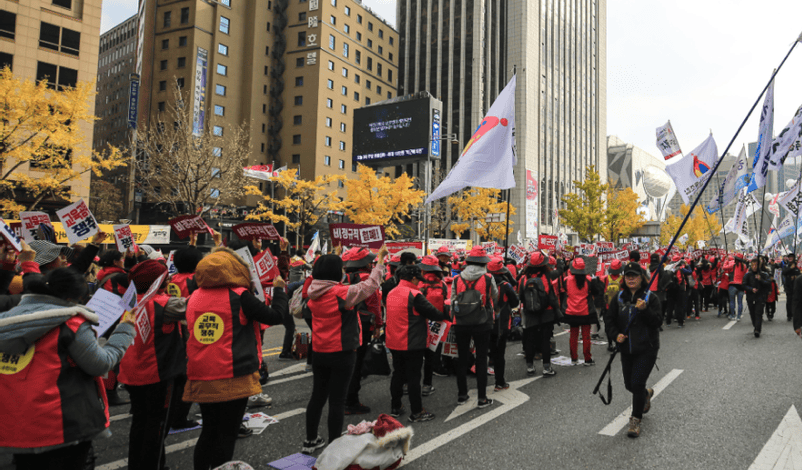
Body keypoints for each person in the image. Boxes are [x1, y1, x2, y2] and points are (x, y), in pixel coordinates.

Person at [0, 267, 136, 470]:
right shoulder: (71, 323)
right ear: (75, 297)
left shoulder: (10, 318)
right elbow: (100, 363)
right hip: (61, 420)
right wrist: (125, 329)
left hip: (16, 421)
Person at [184, 247, 289, 469]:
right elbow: (276, 316)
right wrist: (279, 290)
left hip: (201, 373)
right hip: (233, 374)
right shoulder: (241, 296)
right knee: (227, 433)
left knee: (209, 431)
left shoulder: (194, 296)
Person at [303, 247, 387, 453]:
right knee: (337, 400)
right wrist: (381, 260)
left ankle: (310, 440)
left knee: (317, 396)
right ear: (335, 273)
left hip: (320, 351)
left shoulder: (312, 293)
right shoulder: (341, 293)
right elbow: (371, 285)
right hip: (342, 351)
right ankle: (333, 444)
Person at [117, 259, 187, 470]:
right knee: (157, 427)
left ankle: (138, 465)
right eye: (167, 277)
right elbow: (197, 305)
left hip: (132, 373)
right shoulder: (165, 304)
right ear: (159, 282)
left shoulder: (128, 301)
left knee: (140, 422)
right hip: (158, 374)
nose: (171, 279)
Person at [603, 262, 663, 439]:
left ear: (641, 278)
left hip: (647, 348)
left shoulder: (651, 298)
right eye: (628, 275)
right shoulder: (619, 297)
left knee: (636, 383)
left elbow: (658, 322)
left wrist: (644, 311)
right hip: (626, 349)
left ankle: (635, 419)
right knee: (630, 385)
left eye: (635, 275)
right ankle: (645, 394)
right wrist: (616, 335)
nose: (631, 278)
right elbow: (609, 320)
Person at [386, 264, 449, 422]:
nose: (418, 282)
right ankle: (417, 412)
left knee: (398, 374)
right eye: (417, 279)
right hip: (412, 341)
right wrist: (447, 313)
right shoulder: (415, 294)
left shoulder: (391, 292)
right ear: (413, 278)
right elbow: (434, 313)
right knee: (414, 377)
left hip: (393, 340)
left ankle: (396, 406)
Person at [450, 246, 498, 408]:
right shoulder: (488, 278)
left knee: (462, 358)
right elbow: (495, 296)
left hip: (461, 322)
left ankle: (461, 394)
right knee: (481, 358)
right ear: (483, 263)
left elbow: (452, 301)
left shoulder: (457, 279)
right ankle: (482, 398)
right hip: (482, 322)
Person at [342, 247, 384, 415]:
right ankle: (351, 401)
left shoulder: (344, 277)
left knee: (348, 362)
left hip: (345, 324)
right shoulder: (367, 279)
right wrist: (378, 325)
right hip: (363, 324)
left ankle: (343, 397)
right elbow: (374, 305)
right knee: (357, 364)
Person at [518, 252, 561, 377]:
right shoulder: (547, 276)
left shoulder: (524, 277)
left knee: (530, 340)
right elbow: (552, 294)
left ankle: (530, 367)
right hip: (546, 312)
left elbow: (521, 296)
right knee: (545, 341)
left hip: (530, 312)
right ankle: (546, 368)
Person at [418, 255, 451, 392]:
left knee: (418, 355)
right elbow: (446, 302)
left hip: (420, 322)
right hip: (438, 321)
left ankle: (410, 384)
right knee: (433, 352)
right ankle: (427, 385)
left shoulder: (419, 284)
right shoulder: (442, 284)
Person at [487, 257, 519, 390]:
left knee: (487, 352)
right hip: (502, 323)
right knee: (500, 353)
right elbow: (515, 302)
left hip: (485, 322)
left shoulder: (483, 282)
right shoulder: (505, 286)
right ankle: (499, 382)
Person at [564, 257, 602, 366]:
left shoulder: (566, 280)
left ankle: (574, 358)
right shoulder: (589, 280)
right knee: (586, 336)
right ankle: (587, 359)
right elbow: (596, 292)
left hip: (571, 311)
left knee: (573, 336)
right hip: (586, 311)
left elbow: (564, 291)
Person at [742, 258, 771, 338]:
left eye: (756, 265)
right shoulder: (747, 274)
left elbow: (768, 283)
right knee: (752, 313)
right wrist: (751, 289)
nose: (754, 267)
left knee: (758, 312)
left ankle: (757, 329)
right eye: (753, 265)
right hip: (751, 297)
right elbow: (743, 285)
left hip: (760, 297)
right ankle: (756, 325)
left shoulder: (764, 274)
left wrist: (760, 279)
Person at [725, 254, 748, 321]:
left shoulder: (733, 265)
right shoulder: (744, 266)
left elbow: (724, 267)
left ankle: (732, 315)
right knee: (740, 302)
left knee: (732, 302)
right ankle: (738, 316)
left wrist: (726, 260)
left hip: (733, 285)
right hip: (741, 286)